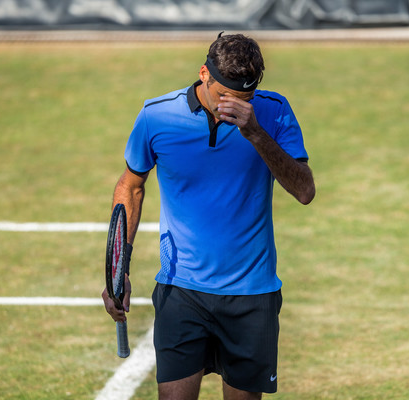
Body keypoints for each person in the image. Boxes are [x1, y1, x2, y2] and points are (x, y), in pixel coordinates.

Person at [102, 32, 315, 400]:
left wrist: (255, 133)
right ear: (204, 74)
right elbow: (131, 186)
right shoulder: (156, 116)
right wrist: (119, 268)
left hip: (252, 294)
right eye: (224, 96)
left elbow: (304, 191)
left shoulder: (274, 111)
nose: (232, 106)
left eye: (244, 99)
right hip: (181, 290)